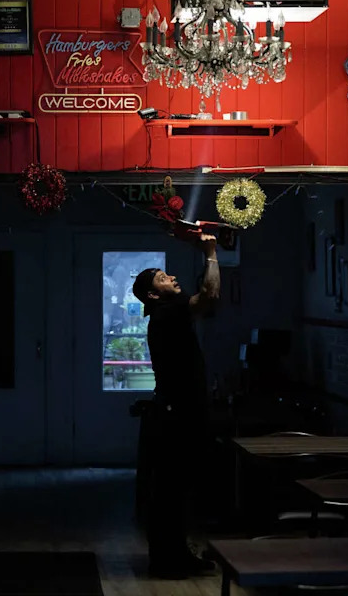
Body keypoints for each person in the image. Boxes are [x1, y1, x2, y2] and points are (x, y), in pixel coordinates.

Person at [131, 233, 220, 579]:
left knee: (176, 490)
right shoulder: (168, 312)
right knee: (170, 491)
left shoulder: (168, 313)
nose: (171, 277)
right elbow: (210, 295)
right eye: (161, 277)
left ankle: (176, 555)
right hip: (176, 416)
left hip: (179, 412)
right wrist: (211, 252)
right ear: (153, 294)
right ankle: (167, 561)